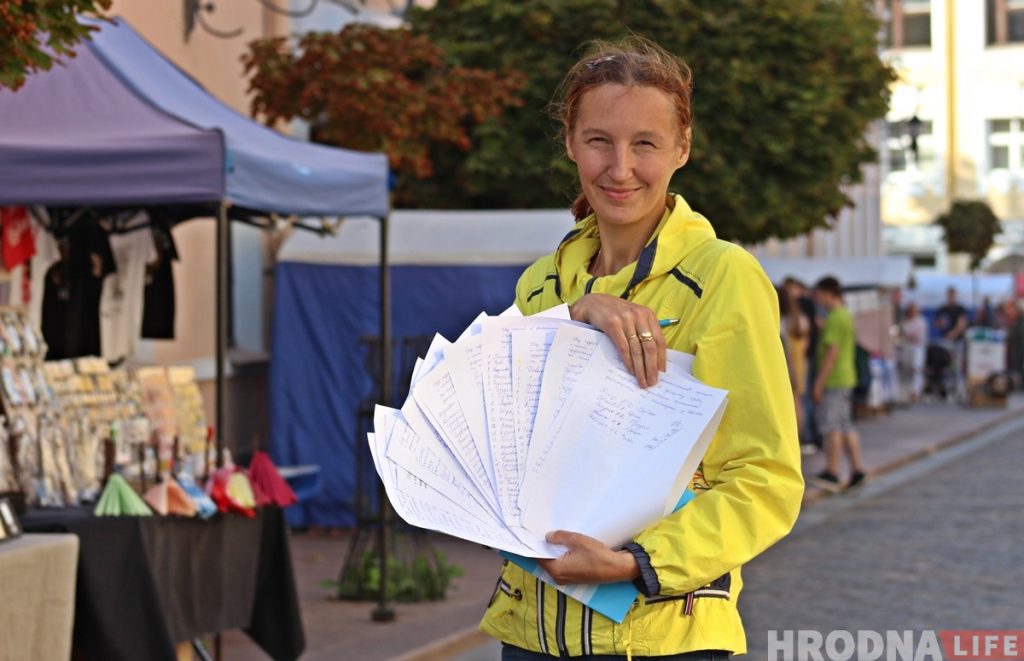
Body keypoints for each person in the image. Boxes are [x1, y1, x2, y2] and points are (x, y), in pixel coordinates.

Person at [479, 38, 803, 660]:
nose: (619, 167)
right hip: (530, 634)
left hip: (661, 640)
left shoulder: (723, 277)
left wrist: (635, 563)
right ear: (570, 143)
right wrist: (573, 314)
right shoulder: (540, 284)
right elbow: (492, 429)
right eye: (599, 140)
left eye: (645, 144)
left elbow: (765, 481)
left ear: (682, 149)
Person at [809, 276, 865, 492]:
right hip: (846, 376)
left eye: (819, 294)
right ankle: (857, 469)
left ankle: (832, 472)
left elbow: (832, 352)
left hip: (834, 378)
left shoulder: (834, 317)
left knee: (831, 425)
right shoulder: (845, 315)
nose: (817, 299)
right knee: (845, 424)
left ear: (828, 292)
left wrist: (819, 382)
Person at [779, 283, 810, 443]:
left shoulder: (781, 321)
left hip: (788, 364)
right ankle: (798, 438)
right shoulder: (799, 318)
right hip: (800, 363)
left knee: (791, 404)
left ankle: (793, 439)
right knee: (798, 402)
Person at [900, 302, 928, 403]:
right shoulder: (905, 321)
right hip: (907, 347)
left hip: (917, 347)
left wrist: (911, 337)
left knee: (917, 369)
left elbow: (919, 336)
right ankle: (908, 391)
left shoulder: (921, 321)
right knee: (907, 369)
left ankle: (916, 392)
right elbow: (903, 333)